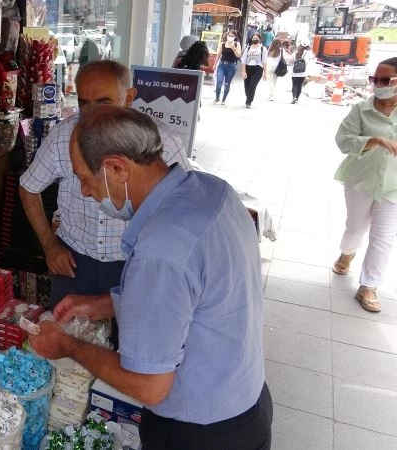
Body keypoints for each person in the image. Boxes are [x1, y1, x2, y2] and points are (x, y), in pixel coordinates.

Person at [29, 105, 272, 450]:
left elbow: (149, 386)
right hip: (247, 400)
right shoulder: (213, 189)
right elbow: (196, 293)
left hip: (200, 432)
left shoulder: (160, 249)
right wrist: (103, 305)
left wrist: (67, 345)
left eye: (84, 178)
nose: (84, 191)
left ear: (117, 168)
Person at [19, 61, 136, 316]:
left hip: (134, 266)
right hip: (74, 262)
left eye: (103, 103)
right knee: (63, 333)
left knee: (130, 338)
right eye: (84, 103)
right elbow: (28, 187)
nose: (91, 113)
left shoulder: (158, 140)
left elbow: (178, 206)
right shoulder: (64, 135)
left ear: (128, 98)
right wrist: (49, 245)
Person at [332, 57, 397, 313]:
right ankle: (347, 252)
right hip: (361, 180)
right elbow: (343, 140)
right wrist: (375, 141)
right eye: (375, 79)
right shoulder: (361, 109)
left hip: (393, 186)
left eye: (385, 80)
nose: (378, 85)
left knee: (383, 237)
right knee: (355, 229)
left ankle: (368, 286)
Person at [213, 30, 241, 105]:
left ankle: (223, 100)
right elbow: (218, 54)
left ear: (235, 37)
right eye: (229, 35)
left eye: (232, 36)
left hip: (231, 66)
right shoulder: (222, 44)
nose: (230, 37)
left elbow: (238, 55)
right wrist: (215, 64)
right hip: (222, 65)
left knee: (227, 83)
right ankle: (217, 98)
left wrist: (233, 48)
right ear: (227, 36)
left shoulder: (237, 44)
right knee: (219, 81)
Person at [240, 33, 267, 108]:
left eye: (256, 38)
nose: (255, 39)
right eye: (253, 38)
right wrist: (243, 71)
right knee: (246, 86)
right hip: (248, 68)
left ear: (260, 39)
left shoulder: (263, 49)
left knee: (252, 85)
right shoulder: (248, 48)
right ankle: (249, 97)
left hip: (258, 69)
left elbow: (264, 61)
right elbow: (243, 60)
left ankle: (248, 102)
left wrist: (265, 73)